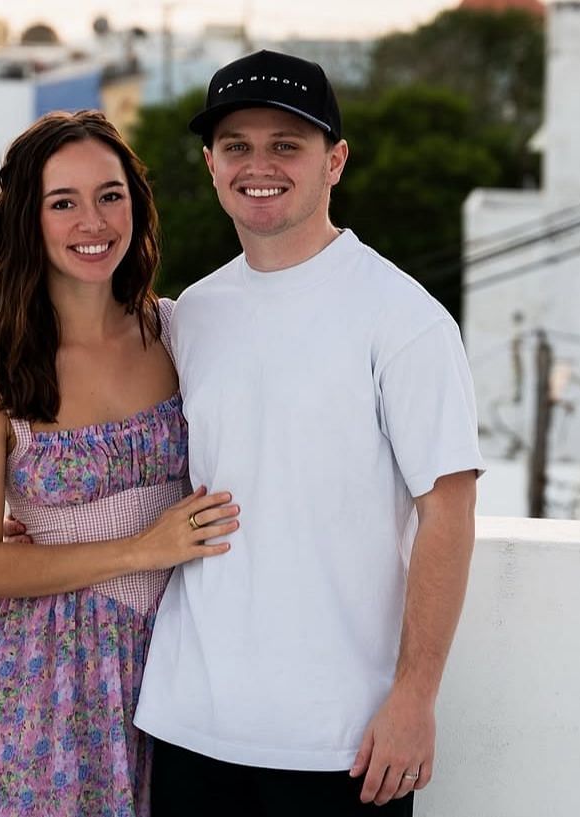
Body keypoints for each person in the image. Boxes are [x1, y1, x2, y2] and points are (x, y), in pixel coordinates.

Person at [133, 50, 484, 816]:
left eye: (286, 144)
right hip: (188, 726)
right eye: (237, 147)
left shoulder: (405, 317)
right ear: (211, 163)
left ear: (336, 160)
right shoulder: (192, 313)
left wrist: (415, 696)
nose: (260, 165)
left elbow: (449, 513)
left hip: (344, 742)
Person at [0, 110, 239, 817]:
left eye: (109, 195)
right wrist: (141, 546)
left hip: (178, 677)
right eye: (62, 202)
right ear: (27, 223)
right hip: (43, 691)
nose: (91, 221)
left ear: (136, 202)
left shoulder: (177, 332)